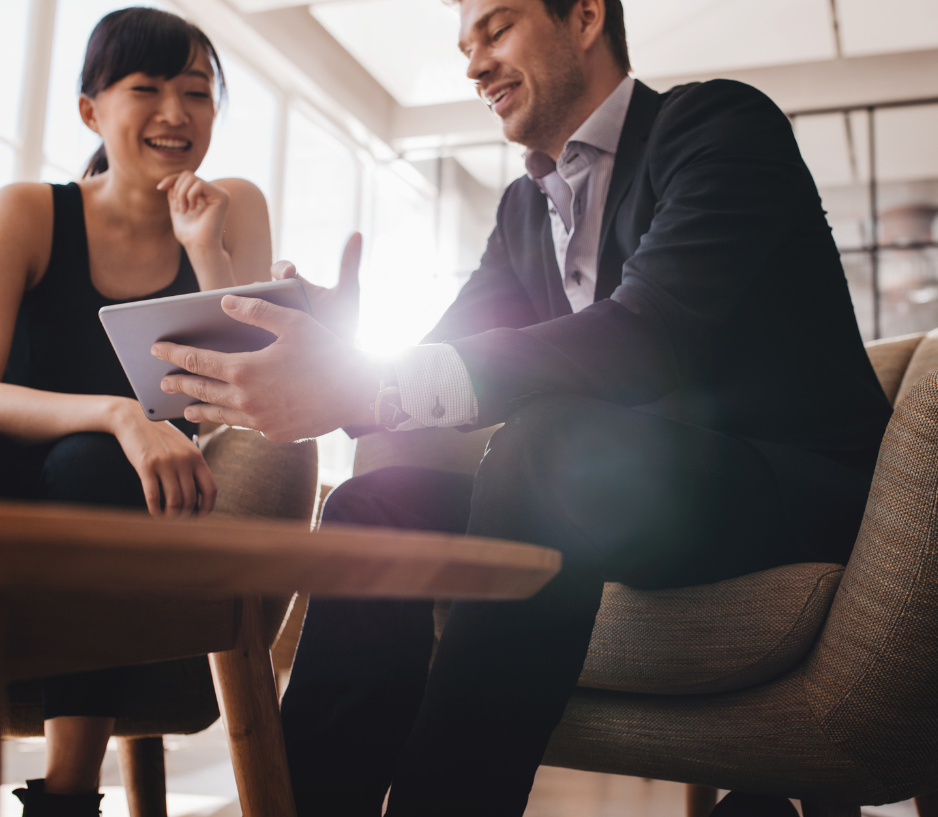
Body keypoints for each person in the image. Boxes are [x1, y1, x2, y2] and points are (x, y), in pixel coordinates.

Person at [153, 0, 894, 813]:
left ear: (584, 16)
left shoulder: (717, 127)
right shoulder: (522, 211)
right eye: (466, 45)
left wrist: (370, 381)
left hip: (789, 490)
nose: (473, 65)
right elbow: (444, 361)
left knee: (551, 445)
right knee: (379, 501)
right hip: (632, 499)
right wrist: (336, 349)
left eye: (497, 29)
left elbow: (648, 334)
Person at [0, 8, 272, 816]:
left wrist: (204, 249)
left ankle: (68, 794)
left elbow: (246, 387)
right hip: (6, 484)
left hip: (137, 504)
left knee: (97, 467)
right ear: (91, 110)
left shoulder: (236, 208)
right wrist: (120, 414)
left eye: (197, 93)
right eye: (146, 89)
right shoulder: (28, 212)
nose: (175, 113)